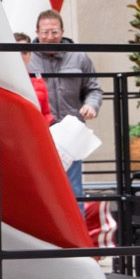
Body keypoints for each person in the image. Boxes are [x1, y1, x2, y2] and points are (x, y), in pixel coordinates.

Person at [28, 10, 102, 197]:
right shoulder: (27, 58)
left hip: (71, 133)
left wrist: (92, 106)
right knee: (39, 190)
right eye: (45, 32)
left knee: (73, 190)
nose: (50, 37)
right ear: (37, 32)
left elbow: (93, 88)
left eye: (54, 32)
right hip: (39, 133)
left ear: (62, 32)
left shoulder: (79, 57)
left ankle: (77, 227)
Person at [14, 34, 53, 121]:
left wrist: (54, 124)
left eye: (24, 52)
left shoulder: (38, 81)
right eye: (16, 52)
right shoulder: (0, 80)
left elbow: (46, 114)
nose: (20, 56)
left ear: (30, 55)